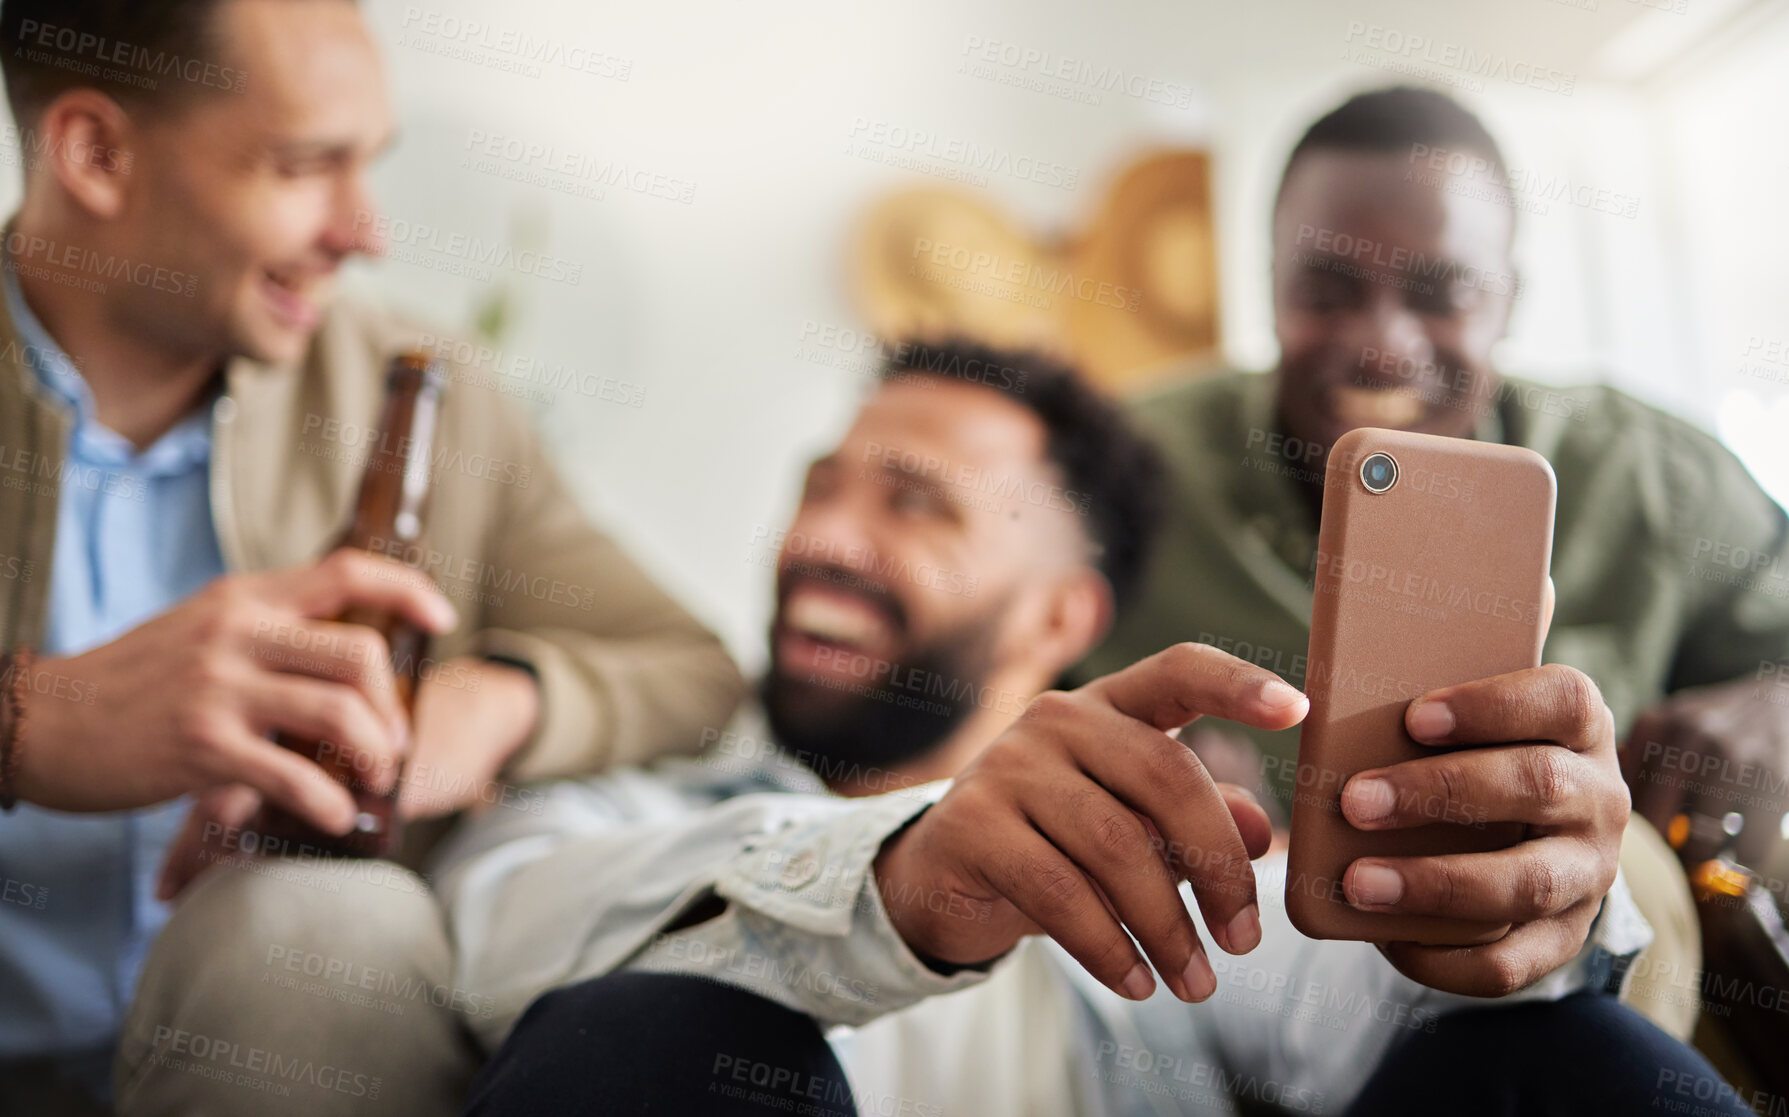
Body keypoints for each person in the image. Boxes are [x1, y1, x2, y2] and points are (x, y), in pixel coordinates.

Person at [430, 339, 1743, 1116]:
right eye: (817, 490)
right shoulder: (631, 801)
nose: (820, 537)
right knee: (650, 1036)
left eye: (915, 504)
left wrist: (1516, 911)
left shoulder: (1175, 852)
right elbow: (500, 933)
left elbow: (1362, 1000)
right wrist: (904, 876)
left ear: (1067, 613)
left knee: (1566, 1053)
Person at [0, 0, 744, 1113]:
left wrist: (498, 702)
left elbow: (692, 672)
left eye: (369, 166)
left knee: (335, 921)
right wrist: (35, 724)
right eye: (306, 166)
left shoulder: (424, 389)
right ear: (97, 153)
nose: (367, 231)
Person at [1081, 85, 1789, 1039]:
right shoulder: (1126, 466)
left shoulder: (1650, 476)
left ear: (1507, 299)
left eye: (1441, 295)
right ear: (1270, 283)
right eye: (1326, 291)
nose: (1381, 344)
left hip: (1587, 997)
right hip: (1229, 1015)